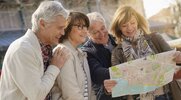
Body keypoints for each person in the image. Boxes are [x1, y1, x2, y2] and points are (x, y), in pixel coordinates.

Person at [107, 5, 181, 100]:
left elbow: (173, 59)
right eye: (124, 25)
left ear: (138, 21)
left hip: (165, 95)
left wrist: (178, 58)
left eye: (132, 23)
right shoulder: (117, 53)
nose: (129, 28)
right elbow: (118, 83)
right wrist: (111, 86)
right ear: (119, 28)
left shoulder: (155, 38)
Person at [0, 1, 69, 100]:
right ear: (42, 24)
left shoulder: (45, 48)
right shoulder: (23, 49)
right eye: (60, 28)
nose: (63, 33)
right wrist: (54, 66)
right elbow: (37, 95)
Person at [51, 12, 96, 100]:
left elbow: (90, 89)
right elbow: (71, 94)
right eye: (79, 26)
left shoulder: (80, 53)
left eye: (85, 26)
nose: (85, 31)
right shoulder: (62, 52)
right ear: (67, 28)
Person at [81, 12, 121, 100]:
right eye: (95, 32)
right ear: (88, 34)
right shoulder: (87, 51)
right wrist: (128, 69)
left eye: (103, 28)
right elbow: (98, 74)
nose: (102, 34)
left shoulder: (118, 39)